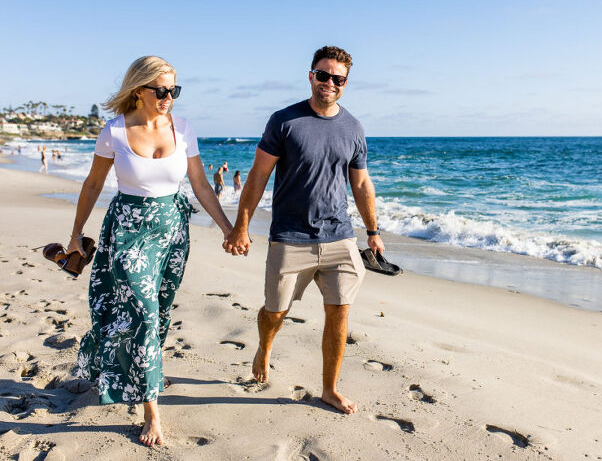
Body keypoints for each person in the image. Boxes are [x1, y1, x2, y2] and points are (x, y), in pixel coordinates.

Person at [66, 56, 232, 447]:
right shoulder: (114, 132)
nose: (168, 97)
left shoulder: (184, 128)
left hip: (173, 230)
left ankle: (144, 369)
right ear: (139, 90)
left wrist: (228, 228)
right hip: (126, 232)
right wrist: (76, 233)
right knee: (143, 310)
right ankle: (152, 412)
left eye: (174, 90)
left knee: (159, 310)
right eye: (161, 90)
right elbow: (92, 185)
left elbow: (201, 185)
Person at [223, 46, 383, 414]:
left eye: (337, 78)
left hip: (340, 235)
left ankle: (329, 388)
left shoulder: (354, 127)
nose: (329, 83)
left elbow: (360, 184)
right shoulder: (284, 121)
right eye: (323, 75)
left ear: (345, 83)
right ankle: (265, 348)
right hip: (290, 237)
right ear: (311, 76)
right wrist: (241, 226)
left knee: (340, 310)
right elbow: (259, 175)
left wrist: (372, 230)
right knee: (275, 312)